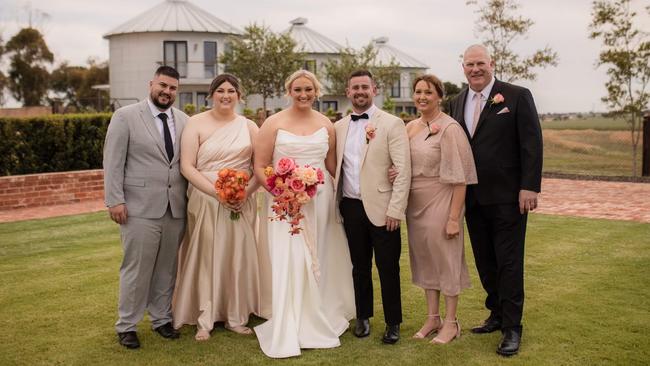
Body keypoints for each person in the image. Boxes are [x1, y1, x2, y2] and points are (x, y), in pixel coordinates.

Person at [253, 70, 355, 358]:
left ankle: (319, 311)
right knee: (292, 257)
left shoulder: (326, 124)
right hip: (284, 203)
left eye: (308, 89)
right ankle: (291, 318)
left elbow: (333, 167)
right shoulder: (273, 123)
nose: (303, 94)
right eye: (297, 89)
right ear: (289, 91)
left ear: (316, 91)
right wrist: (281, 191)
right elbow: (260, 165)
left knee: (318, 254)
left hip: (320, 201)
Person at [448, 44, 543, 356]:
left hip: (508, 197)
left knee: (509, 263)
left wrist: (529, 186)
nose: (475, 69)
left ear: (492, 63)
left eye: (480, 63)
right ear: (462, 67)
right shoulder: (456, 101)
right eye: (469, 64)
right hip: (472, 198)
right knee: (485, 261)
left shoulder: (515, 95)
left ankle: (513, 328)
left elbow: (531, 142)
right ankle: (497, 314)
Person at [172, 74, 271, 341]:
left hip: (242, 200)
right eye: (220, 91)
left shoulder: (249, 126)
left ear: (239, 95)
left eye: (231, 91)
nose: (225, 95)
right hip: (205, 198)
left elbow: (259, 166)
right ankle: (205, 317)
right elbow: (187, 166)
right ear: (211, 94)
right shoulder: (195, 123)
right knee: (207, 254)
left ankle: (236, 316)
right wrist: (217, 193)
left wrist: (244, 194)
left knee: (237, 255)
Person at [103, 66, 189, 349]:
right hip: (138, 208)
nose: (167, 92)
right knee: (136, 269)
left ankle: (161, 319)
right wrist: (115, 200)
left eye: (173, 88)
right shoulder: (125, 117)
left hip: (175, 208)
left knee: (167, 268)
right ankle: (127, 325)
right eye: (163, 86)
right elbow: (113, 162)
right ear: (151, 83)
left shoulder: (185, 121)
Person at [390, 74, 477, 344]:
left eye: (428, 92)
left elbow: (461, 178)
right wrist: (396, 172)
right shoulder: (410, 127)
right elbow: (402, 162)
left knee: (445, 259)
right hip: (415, 204)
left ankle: (452, 322)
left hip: (441, 198)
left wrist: (453, 218)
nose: (422, 97)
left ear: (439, 96)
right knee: (425, 259)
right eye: (418, 92)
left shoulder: (450, 129)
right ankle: (432, 318)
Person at [334, 70, 411, 344]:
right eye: (355, 87)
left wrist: (396, 209)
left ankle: (393, 323)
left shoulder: (391, 123)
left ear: (374, 90)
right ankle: (362, 317)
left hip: (383, 207)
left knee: (388, 267)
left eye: (365, 87)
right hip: (351, 207)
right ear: (348, 92)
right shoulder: (339, 127)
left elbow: (402, 170)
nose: (360, 91)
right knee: (359, 266)